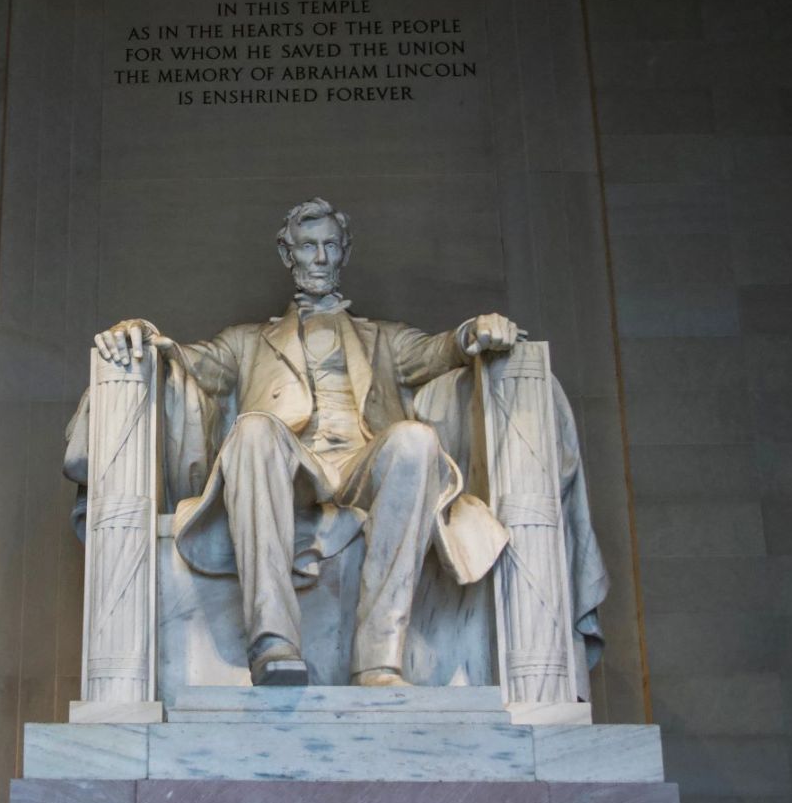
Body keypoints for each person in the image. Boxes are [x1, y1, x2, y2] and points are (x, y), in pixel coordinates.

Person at [93, 197, 520, 686]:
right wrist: (142, 335)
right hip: (289, 469)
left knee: (416, 442)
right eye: (308, 246)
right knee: (253, 428)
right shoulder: (248, 341)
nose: (320, 258)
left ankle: (379, 659)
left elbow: (439, 350)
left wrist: (475, 331)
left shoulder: (384, 337)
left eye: (330, 247)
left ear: (345, 252)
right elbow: (189, 361)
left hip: (363, 466)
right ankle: (273, 643)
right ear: (286, 254)